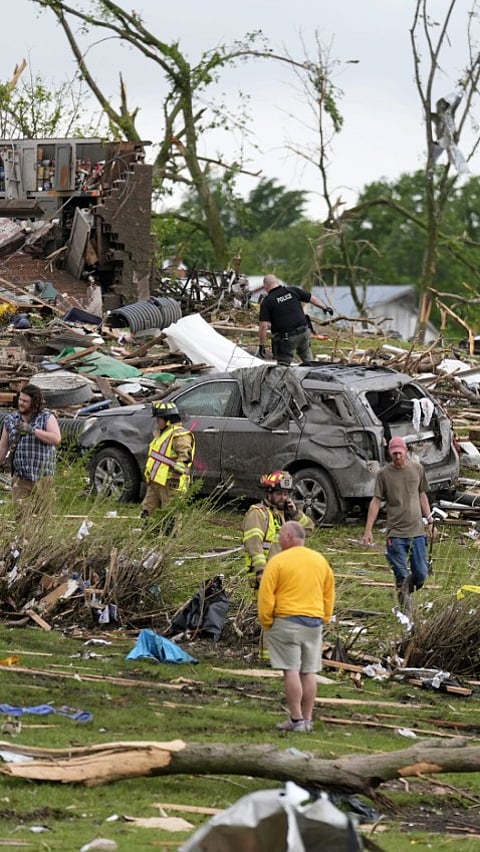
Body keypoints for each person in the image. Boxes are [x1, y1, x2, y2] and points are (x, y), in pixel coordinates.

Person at [258, 520, 335, 732]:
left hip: (286, 621)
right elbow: (329, 593)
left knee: (291, 670)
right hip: (313, 622)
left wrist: (266, 621)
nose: (279, 538)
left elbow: (266, 594)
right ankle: (308, 719)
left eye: (281, 534)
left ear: (290, 537)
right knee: (309, 671)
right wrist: (324, 616)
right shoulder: (319, 561)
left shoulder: (277, 561)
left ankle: (296, 719)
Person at [360, 435, 434, 613]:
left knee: (421, 575)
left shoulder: (417, 469)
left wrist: (430, 520)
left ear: (406, 451)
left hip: (416, 530)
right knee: (401, 574)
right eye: (394, 454)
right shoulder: (384, 474)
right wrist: (368, 530)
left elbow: (422, 494)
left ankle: (404, 592)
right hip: (395, 533)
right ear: (390, 454)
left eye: (400, 453)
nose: (397, 457)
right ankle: (406, 612)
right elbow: (376, 501)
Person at [243, 469, 314, 592]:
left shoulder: (286, 514)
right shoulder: (258, 513)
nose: (283, 498)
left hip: (286, 576)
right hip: (267, 577)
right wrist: (261, 571)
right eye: (279, 494)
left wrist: (295, 513)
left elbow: (308, 530)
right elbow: (254, 544)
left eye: (286, 494)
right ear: (269, 493)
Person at [0, 383, 61, 518]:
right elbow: (3, 445)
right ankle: (22, 539)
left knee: (43, 518)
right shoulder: (10, 419)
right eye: (20, 399)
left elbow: (56, 438)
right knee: (21, 517)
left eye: (25, 401)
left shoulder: (46, 417)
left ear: (35, 403)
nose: (21, 403)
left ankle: (40, 539)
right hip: (20, 477)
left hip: (43, 477)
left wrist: (32, 431)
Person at [256, 274, 334, 365]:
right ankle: (312, 372)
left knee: (282, 368)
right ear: (277, 282)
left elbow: (263, 326)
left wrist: (261, 344)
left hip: (287, 338)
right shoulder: (292, 290)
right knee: (309, 362)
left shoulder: (267, 301)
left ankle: (284, 374)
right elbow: (312, 298)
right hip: (304, 332)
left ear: (265, 286)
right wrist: (324, 307)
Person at [141, 401, 195, 517]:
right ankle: (149, 534)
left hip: (170, 482)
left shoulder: (180, 435)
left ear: (168, 420)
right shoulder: (163, 433)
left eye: (159, 419)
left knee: (170, 516)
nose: (157, 422)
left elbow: (185, 457)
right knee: (148, 511)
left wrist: (176, 475)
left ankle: (170, 535)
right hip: (156, 481)